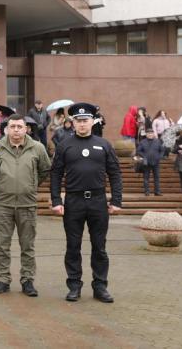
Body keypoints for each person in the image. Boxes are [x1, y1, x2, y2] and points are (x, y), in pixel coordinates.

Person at [50, 102, 122, 303]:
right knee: (73, 246)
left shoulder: (104, 144)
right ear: (73, 123)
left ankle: (100, 286)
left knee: (99, 247)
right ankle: (74, 286)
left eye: (85, 120)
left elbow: (115, 173)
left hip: (98, 201)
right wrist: (56, 200)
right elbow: (55, 174)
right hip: (74, 201)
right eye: (78, 121)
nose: (82, 124)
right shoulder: (64, 145)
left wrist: (116, 200)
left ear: (92, 121)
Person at [0, 114, 51, 297]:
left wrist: (30, 185)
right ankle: (3, 279)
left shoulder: (37, 148)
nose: (16, 130)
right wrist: (2, 185)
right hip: (3, 205)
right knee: (2, 245)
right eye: (12, 126)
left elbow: (45, 170)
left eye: (19, 127)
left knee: (27, 245)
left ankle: (27, 280)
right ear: (7, 129)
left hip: (27, 205)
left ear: (26, 128)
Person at [136, 128, 165, 196]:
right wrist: (144, 156)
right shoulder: (142, 142)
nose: (150, 134)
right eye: (148, 133)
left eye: (151, 133)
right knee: (146, 178)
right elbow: (138, 151)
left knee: (156, 177)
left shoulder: (157, 141)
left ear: (153, 134)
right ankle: (147, 191)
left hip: (156, 162)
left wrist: (159, 157)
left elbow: (162, 150)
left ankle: (157, 191)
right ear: (146, 134)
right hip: (146, 163)